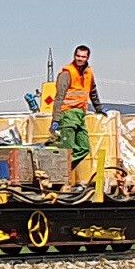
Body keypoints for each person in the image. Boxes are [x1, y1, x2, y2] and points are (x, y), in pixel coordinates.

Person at [50, 45, 101, 179]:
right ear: (74, 55)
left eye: (83, 56)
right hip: (67, 114)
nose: (80, 59)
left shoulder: (89, 73)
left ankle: (57, 169)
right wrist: (55, 119)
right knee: (68, 149)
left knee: (84, 148)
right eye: (78, 56)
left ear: (87, 57)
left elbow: (93, 92)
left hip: (80, 115)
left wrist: (99, 108)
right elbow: (59, 97)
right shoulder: (66, 73)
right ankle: (57, 175)